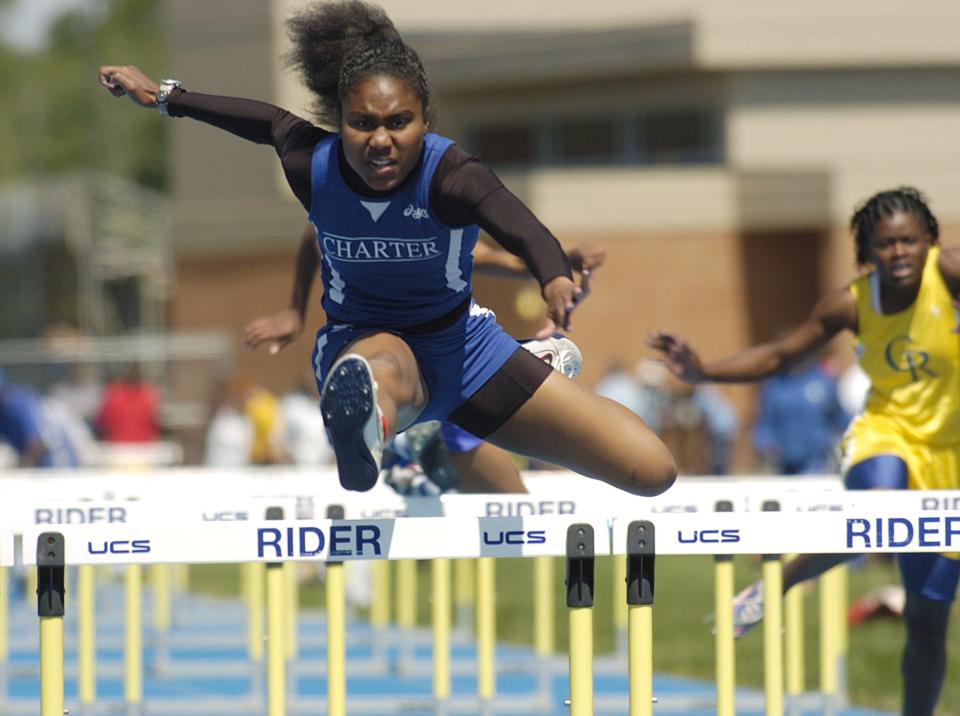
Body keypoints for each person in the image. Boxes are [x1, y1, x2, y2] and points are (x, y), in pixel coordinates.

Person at [98, 0, 675, 499]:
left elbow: (523, 229)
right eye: (362, 123)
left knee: (651, 472)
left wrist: (552, 276)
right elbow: (264, 121)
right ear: (340, 122)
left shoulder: (452, 176)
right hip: (366, 343)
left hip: (466, 350)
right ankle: (375, 422)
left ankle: (438, 414)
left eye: (398, 122)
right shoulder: (313, 163)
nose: (380, 140)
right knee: (385, 368)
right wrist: (164, 97)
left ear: (425, 120)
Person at [650, 187, 960, 716]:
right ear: (867, 250)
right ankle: (782, 583)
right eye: (886, 244)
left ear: (930, 241)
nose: (900, 253)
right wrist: (703, 371)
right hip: (884, 434)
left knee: (928, 624)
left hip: (948, 454)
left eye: (910, 241)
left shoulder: (949, 275)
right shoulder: (852, 303)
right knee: (880, 506)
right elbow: (777, 356)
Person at [243, 222, 602, 494]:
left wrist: (557, 266)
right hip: (377, 356)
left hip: (445, 356)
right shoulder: (347, 212)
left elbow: (499, 258)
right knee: (387, 388)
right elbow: (314, 234)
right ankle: (405, 444)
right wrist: (294, 310)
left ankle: (425, 448)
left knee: (511, 497)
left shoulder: (436, 221)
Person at [752, 359, 850, 474]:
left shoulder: (823, 382)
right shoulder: (775, 386)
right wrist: (766, 444)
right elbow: (765, 424)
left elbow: (841, 418)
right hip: (784, 463)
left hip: (818, 461)